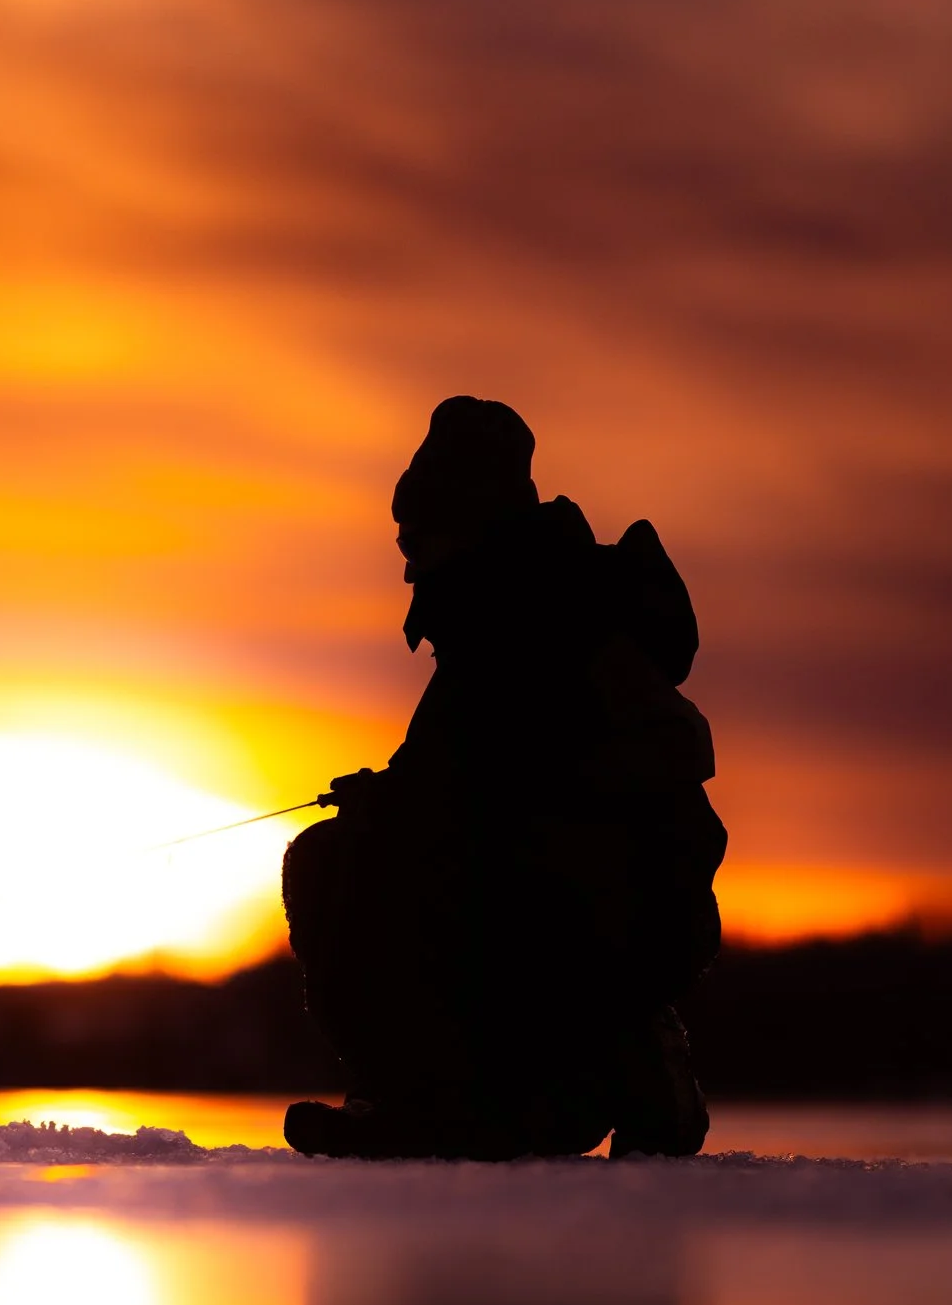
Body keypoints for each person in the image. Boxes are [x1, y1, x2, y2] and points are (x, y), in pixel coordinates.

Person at [283, 397, 725, 1159]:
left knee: (328, 864)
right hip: (629, 931)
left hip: (572, 931)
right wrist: (390, 797)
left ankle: (425, 1100)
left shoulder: (514, 635)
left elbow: (496, 802)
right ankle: (610, 1062)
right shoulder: (557, 613)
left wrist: (383, 812)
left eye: (418, 536)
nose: (406, 559)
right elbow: (489, 779)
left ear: (468, 526)